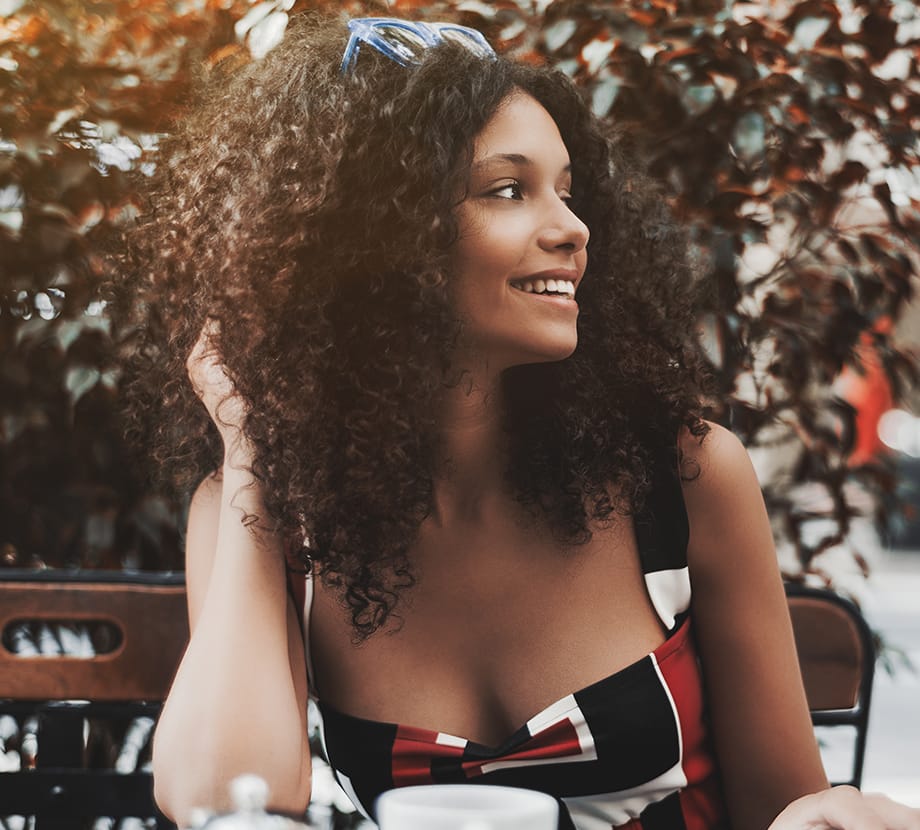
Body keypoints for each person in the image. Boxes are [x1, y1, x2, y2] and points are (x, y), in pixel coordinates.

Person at [121, 13, 920, 830]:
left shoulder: (680, 478)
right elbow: (220, 805)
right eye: (508, 189)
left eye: (567, 191)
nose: (572, 229)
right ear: (375, 241)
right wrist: (254, 451)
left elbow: (788, 811)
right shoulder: (267, 513)